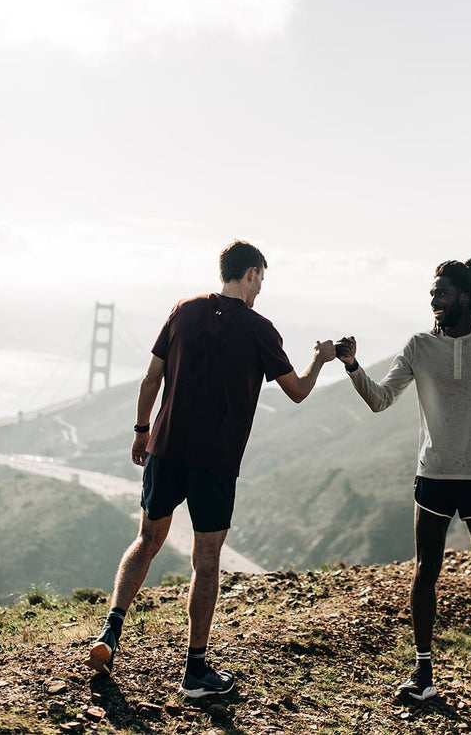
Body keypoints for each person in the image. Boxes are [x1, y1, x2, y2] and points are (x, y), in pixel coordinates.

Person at [84, 239, 336, 696]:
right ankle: (195, 671)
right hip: (215, 462)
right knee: (206, 560)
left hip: (165, 448)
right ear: (253, 273)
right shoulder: (261, 329)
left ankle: (110, 633)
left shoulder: (182, 309)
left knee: (146, 540)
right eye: (262, 278)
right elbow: (297, 391)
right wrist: (321, 358)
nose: (261, 288)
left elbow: (151, 378)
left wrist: (142, 431)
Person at [335, 258, 471, 706]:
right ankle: (423, 671)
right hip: (434, 479)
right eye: (431, 294)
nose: (433, 300)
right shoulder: (419, 346)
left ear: (465, 297)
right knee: (426, 573)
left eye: (440, 293)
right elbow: (381, 400)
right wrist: (352, 366)